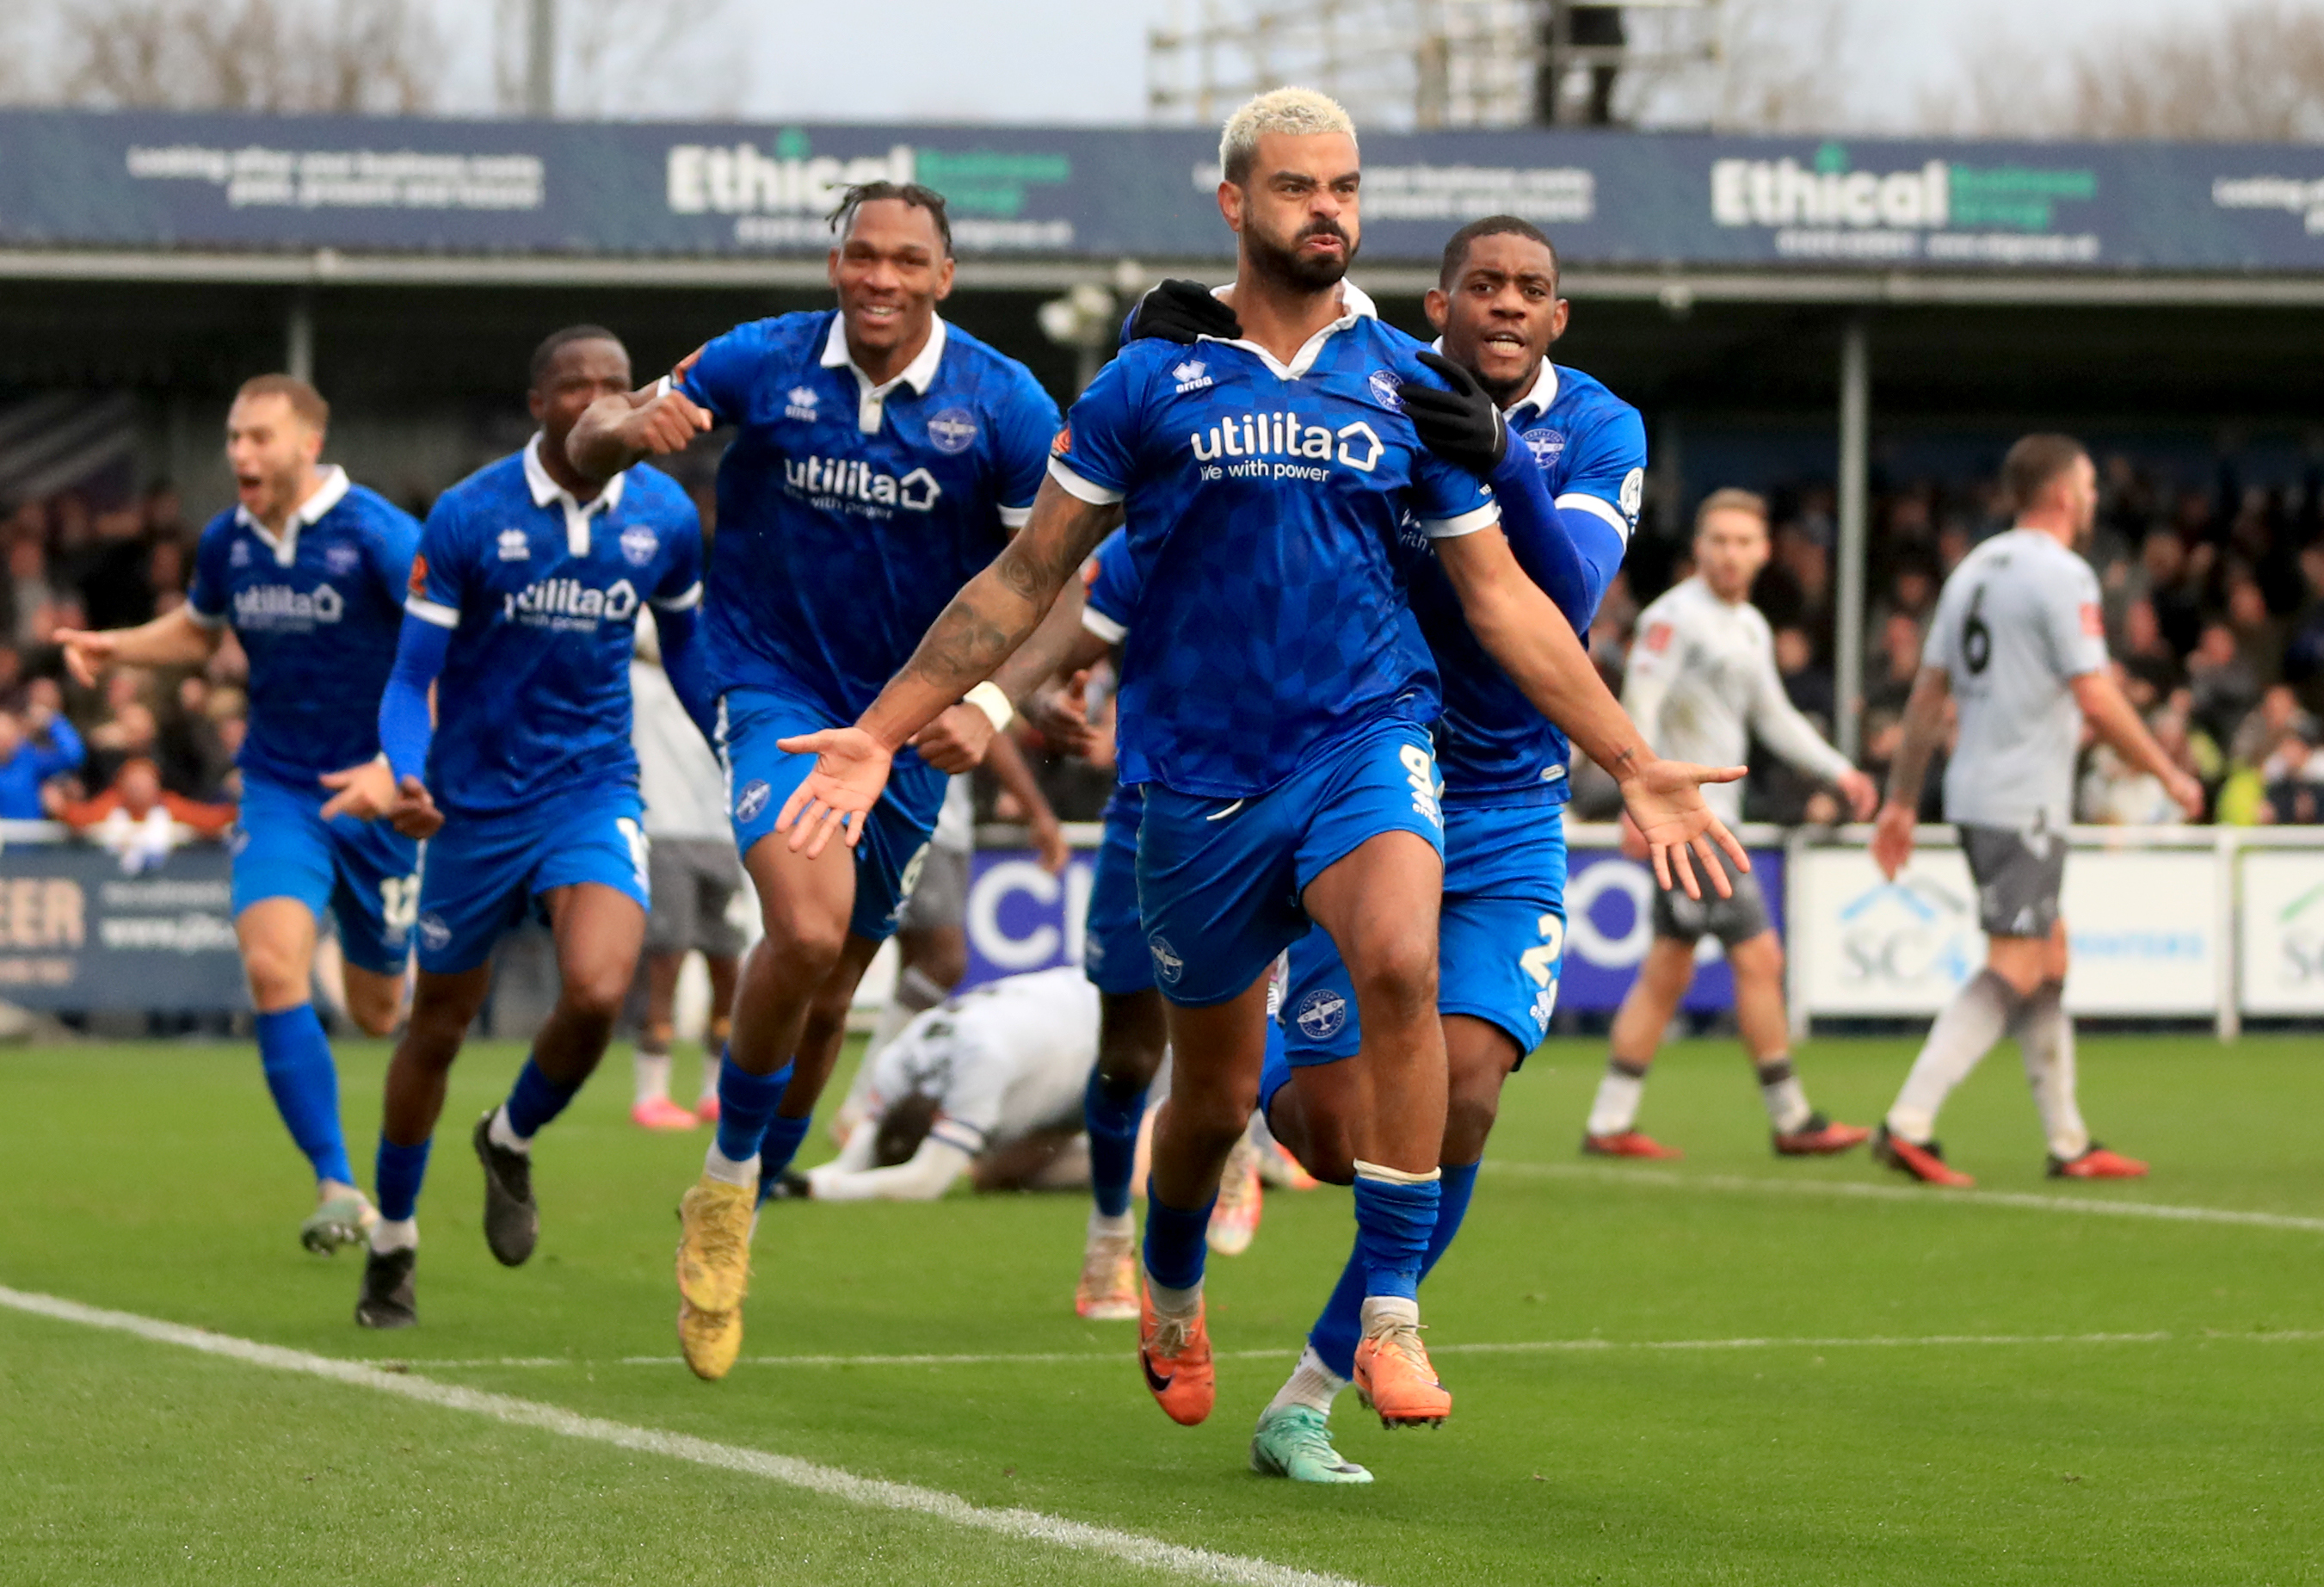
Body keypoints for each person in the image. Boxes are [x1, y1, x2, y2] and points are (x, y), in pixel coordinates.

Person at [772, 89, 1746, 1442]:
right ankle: (1168, 1277)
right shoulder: (1147, 384)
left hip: (1370, 743)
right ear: (1235, 204)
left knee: (1404, 960)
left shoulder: (1410, 383)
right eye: (1299, 188)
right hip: (1199, 778)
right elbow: (1033, 575)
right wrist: (892, 726)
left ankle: (1389, 1320)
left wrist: (1628, 757)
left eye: (1346, 187)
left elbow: (1516, 599)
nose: (1328, 210)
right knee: (1217, 1097)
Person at [566, 181, 1080, 1381]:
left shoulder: (1002, 403)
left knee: (837, 979)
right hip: (776, 690)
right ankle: (728, 1192)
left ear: (945, 276)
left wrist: (991, 700)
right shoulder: (759, 360)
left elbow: (1054, 579)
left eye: (907, 260)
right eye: (860, 256)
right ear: (833, 262)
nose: (880, 280)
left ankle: (760, 1152)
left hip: (903, 718)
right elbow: (586, 447)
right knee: (802, 927)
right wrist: (621, 429)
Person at [1224, 213, 1638, 1481]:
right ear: (1437, 304)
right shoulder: (1374, 380)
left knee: (1461, 1099)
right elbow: (1263, 367)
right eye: (1485, 286)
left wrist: (1504, 461)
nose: (1508, 305)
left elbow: (1564, 600)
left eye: (1533, 290)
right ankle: (1249, 1097)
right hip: (1364, 779)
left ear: (1558, 317)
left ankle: (1310, 1390)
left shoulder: (1603, 429)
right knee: (1337, 1136)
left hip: (1509, 800)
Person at [324, 326, 711, 1329]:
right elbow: (412, 678)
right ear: (538, 402)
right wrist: (406, 773)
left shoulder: (664, 513)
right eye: (576, 385)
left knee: (596, 988)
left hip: (592, 789)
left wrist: (744, 752)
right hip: (471, 806)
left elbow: (693, 656)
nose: (600, 399)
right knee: (436, 1029)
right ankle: (395, 1238)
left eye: (617, 384)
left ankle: (510, 1134)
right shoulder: (469, 515)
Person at [57, 374, 419, 1257]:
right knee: (270, 968)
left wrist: (402, 767)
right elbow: (194, 629)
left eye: (258, 437)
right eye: (232, 438)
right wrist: (118, 646)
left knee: (380, 1011)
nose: (240, 455)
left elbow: (444, 652)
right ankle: (338, 1183)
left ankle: (390, 977)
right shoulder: (228, 539)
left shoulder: (376, 533)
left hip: (375, 794)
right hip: (281, 786)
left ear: (308, 442)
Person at [1870, 434, 2203, 1188]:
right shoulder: (2064, 575)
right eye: (2086, 488)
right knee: (2017, 962)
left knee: (2048, 955)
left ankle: (2068, 1139)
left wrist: (1898, 802)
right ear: (2060, 494)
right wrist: (2167, 773)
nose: (2090, 502)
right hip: (2022, 801)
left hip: (1976, 794)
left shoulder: (1973, 570)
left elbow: (1927, 695)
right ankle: (1908, 1122)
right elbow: (2095, 692)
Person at [1583, 489, 1879, 1161]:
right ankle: (1791, 1116)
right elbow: (1642, 706)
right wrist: (1641, 802)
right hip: (1691, 825)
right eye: (1719, 540)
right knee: (1759, 958)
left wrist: (1839, 771)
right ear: (1699, 547)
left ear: (1763, 551)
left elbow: (1772, 717)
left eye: (1744, 542)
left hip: (1710, 823)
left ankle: (1608, 1120)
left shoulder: (1746, 625)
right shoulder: (1672, 618)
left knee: (1667, 970)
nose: (1730, 553)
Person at [798, 966, 1103, 1203]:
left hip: (1121, 1027)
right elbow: (852, 1162)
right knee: (993, 1178)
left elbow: (927, 1181)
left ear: (938, 1123)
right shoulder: (896, 1059)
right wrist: (799, 1182)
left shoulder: (981, 1061)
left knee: (1138, 1176)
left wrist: (809, 1187)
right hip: (1070, 1021)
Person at [627, 610, 744, 1131]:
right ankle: (651, 1093)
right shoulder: (642, 685)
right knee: (665, 962)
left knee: (727, 964)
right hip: (665, 831)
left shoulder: (731, 691)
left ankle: (714, 1090)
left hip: (723, 834)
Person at [0, 701, 83, 819]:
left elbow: (73, 756)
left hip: (32, 834)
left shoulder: (30, 760)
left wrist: (52, 720)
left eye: (7, 731)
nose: (3, 739)